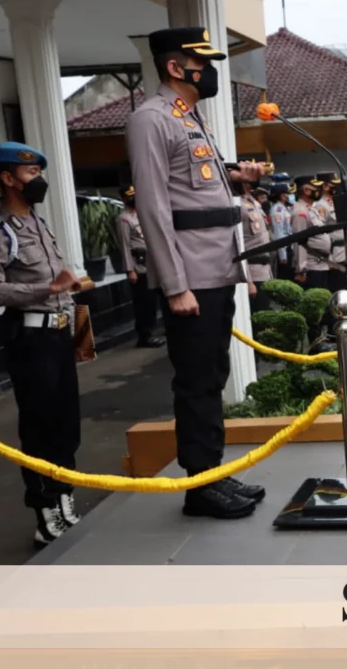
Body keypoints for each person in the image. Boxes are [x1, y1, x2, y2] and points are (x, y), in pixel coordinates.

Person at [126, 26, 267, 520]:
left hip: (216, 267)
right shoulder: (150, 119)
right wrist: (175, 284)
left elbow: (194, 182)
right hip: (191, 277)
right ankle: (200, 485)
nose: (208, 71)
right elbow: (154, 206)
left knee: (213, 375)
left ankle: (212, 473)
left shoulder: (189, 116)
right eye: (200, 62)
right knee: (196, 383)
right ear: (174, 67)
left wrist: (236, 176)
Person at [0, 142, 86, 547]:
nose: (39, 181)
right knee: (39, 426)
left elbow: (62, 286)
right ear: (7, 178)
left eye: (39, 172)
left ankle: (65, 493)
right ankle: (44, 508)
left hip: (57, 333)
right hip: (30, 337)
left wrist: (75, 325)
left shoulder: (40, 224)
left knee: (66, 423)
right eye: (30, 174)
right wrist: (46, 287)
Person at [116, 185, 165, 348]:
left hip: (152, 265)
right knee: (143, 304)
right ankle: (145, 336)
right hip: (139, 268)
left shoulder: (143, 215)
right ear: (124, 199)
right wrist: (130, 270)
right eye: (130, 197)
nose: (133, 199)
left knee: (153, 303)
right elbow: (124, 246)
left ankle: (156, 330)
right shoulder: (124, 219)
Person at [291, 175, 332, 348]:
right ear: (306, 190)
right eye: (314, 188)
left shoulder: (311, 208)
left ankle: (322, 338)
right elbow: (299, 242)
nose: (318, 191)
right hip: (311, 265)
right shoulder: (300, 211)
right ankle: (316, 343)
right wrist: (301, 269)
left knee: (322, 303)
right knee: (314, 306)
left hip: (321, 263)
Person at [241, 182, 273, 312]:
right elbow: (238, 245)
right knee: (257, 319)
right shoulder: (237, 204)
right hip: (252, 273)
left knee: (265, 313)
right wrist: (248, 281)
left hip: (264, 270)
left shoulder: (253, 202)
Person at [268, 182, 294, 280]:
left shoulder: (285, 208)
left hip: (288, 246)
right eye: (287, 194)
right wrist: (283, 254)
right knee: (284, 277)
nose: (288, 196)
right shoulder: (277, 210)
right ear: (282, 196)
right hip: (283, 248)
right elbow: (278, 232)